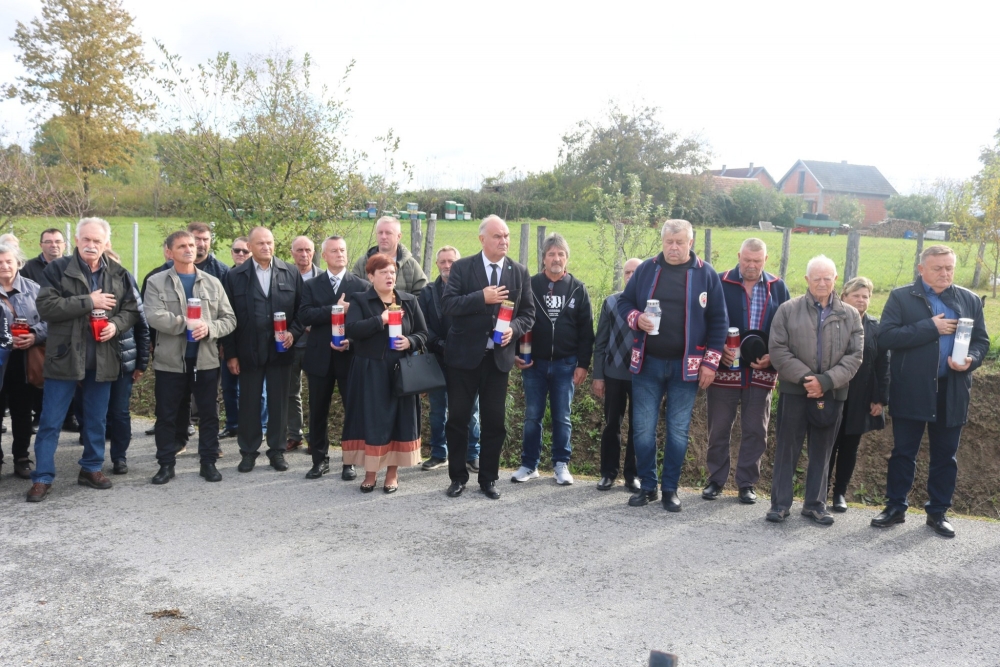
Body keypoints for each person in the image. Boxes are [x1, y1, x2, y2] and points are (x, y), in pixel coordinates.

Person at [872, 245, 989, 537]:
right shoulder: (901, 297)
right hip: (911, 388)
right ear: (921, 269)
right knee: (903, 452)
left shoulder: (970, 299)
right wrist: (930, 327)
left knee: (945, 456)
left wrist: (971, 360)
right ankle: (895, 507)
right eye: (938, 268)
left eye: (949, 268)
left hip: (952, 390)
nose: (945, 273)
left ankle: (938, 512)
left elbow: (981, 341)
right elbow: (886, 337)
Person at [617, 219, 728, 511]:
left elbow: (719, 321)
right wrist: (636, 319)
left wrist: (710, 364)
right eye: (669, 242)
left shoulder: (706, 274)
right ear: (662, 242)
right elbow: (624, 303)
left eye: (680, 242)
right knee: (643, 430)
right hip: (647, 364)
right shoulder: (646, 269)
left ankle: (670, 489)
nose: (674, 248)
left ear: (691, 242)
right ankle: (648, 486)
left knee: (678, 431)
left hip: (686, 368)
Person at [27, 217, 140, 502]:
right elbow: (46, 307)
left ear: (106, 243)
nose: (91, 245)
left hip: (103, 358)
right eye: (86, 239)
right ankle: (42, 477)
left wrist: (115, 325)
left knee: (96, 420)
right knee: (51, 421)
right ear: (76, 240)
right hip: (64, 357)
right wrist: (90, 301)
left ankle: (91, 468)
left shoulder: (119, 273)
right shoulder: (57, 269)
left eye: (97, 241)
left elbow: (131, 310)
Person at [441, 215, 535, 500]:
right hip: (463, 359)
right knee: (458, 419)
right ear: (482, 239)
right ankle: (458, 477)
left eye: (506, 236)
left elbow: (528, 314)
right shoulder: (462, 267)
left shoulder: (518, 271)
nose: (504, 241)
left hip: (498, 360)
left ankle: (488, 479)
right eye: (497, 236)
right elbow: (448, 305)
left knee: (495, 422)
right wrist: (480, 297)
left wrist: (513, 330)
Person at [766, 255, 863, 525]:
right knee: (787, 449)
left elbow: (855, 356)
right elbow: (778, 349)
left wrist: (826, 381)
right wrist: (809, 379)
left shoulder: (850, 315)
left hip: (832, 393)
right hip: (795, 391)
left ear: (835, 279)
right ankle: (779, 505)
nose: (822, 283)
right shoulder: (787, 310)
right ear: (807, 279)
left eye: (827, 278)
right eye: (816, 278)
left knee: (823, 451)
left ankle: (815, 505)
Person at [702, 238, 791, 505]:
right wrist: (716, 350)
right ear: (739, 256)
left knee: (756, 430)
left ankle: (747, 483)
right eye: (747, 260)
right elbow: (703, 321)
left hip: (762, 371)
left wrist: (773, 357)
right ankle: (716, 480)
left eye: (757, 261)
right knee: (718, 428)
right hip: (724, 369)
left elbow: (788, 328)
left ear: (766, 260)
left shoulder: (778, 286)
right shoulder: (719, 282)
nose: (751, 265)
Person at [145, 230, 236, 484]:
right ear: (169, 252)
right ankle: (166, 464)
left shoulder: (212, 282)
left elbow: (229, 319)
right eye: (182, 246)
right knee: (167, 415)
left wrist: (209, 328)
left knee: (209, 414)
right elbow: (153, 315)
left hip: (205, 360)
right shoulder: (156, 281)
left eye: (192, 245)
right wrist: (186, 323)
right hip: (170, 361)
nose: (189, 250)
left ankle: (208, 463)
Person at [512, 232, 593, 485]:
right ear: (544, 258)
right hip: (533, 364)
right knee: (532, 416)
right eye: (551, 254)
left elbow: (586, 331)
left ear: (567, 258)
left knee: (562, 417)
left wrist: (583, 364)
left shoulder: (578, 289)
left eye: (560, 254)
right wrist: (515, 353)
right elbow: (516, 320)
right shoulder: (530, 285)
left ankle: (560, 465)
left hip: (566, 364)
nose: (556, 258)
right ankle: (529, 465)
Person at [342, 254, 428, 492]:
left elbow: (423, 333)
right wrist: (380, 320)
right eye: (383, 272)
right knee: (372, 421)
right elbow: (352, 329)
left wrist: (409, 341)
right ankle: (370, 473)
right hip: (370, 370)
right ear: (371, 276)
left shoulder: (409, 300)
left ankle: (392, 473)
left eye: (392, 272)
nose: (389, 276)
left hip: (401, 371)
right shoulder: (360, 300)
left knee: (399, 421)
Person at [222, 226, 304, 473]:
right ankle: (248, 452)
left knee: (279, 403)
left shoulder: (290, 272)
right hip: (248, 350)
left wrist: (293, 333)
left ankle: (276, 451)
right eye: (260, 243)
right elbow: (227, 316)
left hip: (281, 350)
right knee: (249, 403)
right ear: (249, 247)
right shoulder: (235, 276)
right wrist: (231, 354)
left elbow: (302, 310)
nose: (266, 247)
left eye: (270, 242)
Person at [298, 235, 369, 480]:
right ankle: (319, 460)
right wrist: (335, 310)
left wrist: (352, 341)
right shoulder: (311, 285)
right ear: (325, 255)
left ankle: (350, 461)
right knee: (318, 410)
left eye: (343, 250)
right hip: (320, 357)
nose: (340, 254)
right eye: (334, 251)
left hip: (350, 357)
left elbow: (366, 323)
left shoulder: (360, 285)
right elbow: (305, 315)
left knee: (353, 410)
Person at [417, 246, 482, 472]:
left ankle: (472, 454)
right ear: (437, 265)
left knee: (471, 411)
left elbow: (478, 322)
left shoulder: (472, 290)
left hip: (467, 359)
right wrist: (439, 344)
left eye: (451, 261)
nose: (447, 266)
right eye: (443, 262)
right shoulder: (427, 293)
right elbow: (422, 325)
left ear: (459, 264)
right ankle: (439, 453)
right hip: (437, 358)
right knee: (438, 410)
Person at [592, 257, 642, 491]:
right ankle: (608, 473)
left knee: (638, 427)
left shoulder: (651, 306)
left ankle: (633, 475)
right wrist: (598, 376)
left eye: (635, 272)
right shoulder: (611, 302)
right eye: (627, 272)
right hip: (613, 374)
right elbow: (600, 343)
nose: (630, 276)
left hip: (642, 376)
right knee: (612, 424)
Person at [0, 243, 47, 480]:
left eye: (9, 261)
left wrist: (35, 335)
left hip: (25, 360)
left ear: (18, 263)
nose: (4, 266)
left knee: (22, 411)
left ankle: (21, 457)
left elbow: (50, 321)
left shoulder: (34, 289)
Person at [102, 244, 149, 476]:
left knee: (120, 412)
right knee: (96, 412)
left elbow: (142, 326)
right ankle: (92, 458)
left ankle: (119, 457)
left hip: (123, 360)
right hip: (95, 363)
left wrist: (141, 363)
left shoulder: (128, 285)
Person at [218, 236, 262, 439]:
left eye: (245, 251)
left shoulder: (259, 277)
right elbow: (221, 314)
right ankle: (233, 424)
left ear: (252, 252)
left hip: (255, 344)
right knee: (229, 387)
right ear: (231, 252)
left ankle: (260, 426)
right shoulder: (227, 277)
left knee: (259, 389)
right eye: (237, 250)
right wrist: (224, 345)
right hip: (230, 340)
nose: (241, 254)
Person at [285, 235, 320, 451]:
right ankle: (294, 434)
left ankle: (315, 437)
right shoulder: (284, 276)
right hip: (291, 343)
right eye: (299, 250)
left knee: (317, 393)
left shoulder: (323, 278)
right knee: (291, 391)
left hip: (316, 344)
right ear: (292, 253)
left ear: (314, 253)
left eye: (308, 250)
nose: (304, 254)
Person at [351, 216, 428, 296]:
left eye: (388, 233)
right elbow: (352, 290)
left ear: (398, 236)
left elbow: (423, 295)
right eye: (380, 232)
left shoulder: (411, 265)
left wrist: (404, 303)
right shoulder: (363, 263)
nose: (383, 237)